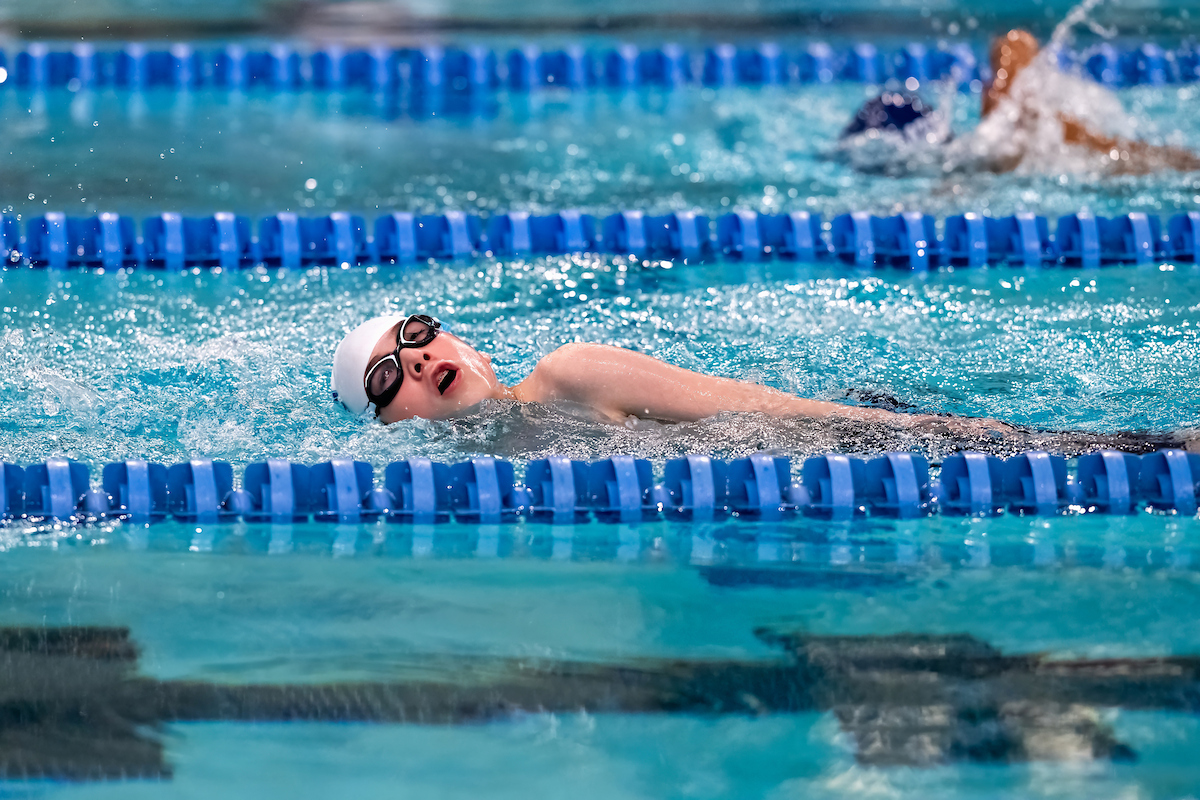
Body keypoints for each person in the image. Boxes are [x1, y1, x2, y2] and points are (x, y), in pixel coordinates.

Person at [329, 313, 1193, 455]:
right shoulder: (454, 479)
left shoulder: (570, 376)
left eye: (416, 334)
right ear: (384, 423)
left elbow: (780, 415)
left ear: (467, 346)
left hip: (852, 438)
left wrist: (981, 438)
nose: (412, 359)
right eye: (384, 376)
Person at [979, 29, 1200, 174]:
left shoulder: (1046, 121)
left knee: (1138, 157)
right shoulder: (1004, 120)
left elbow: (1014, 46)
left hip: (1098, 158)